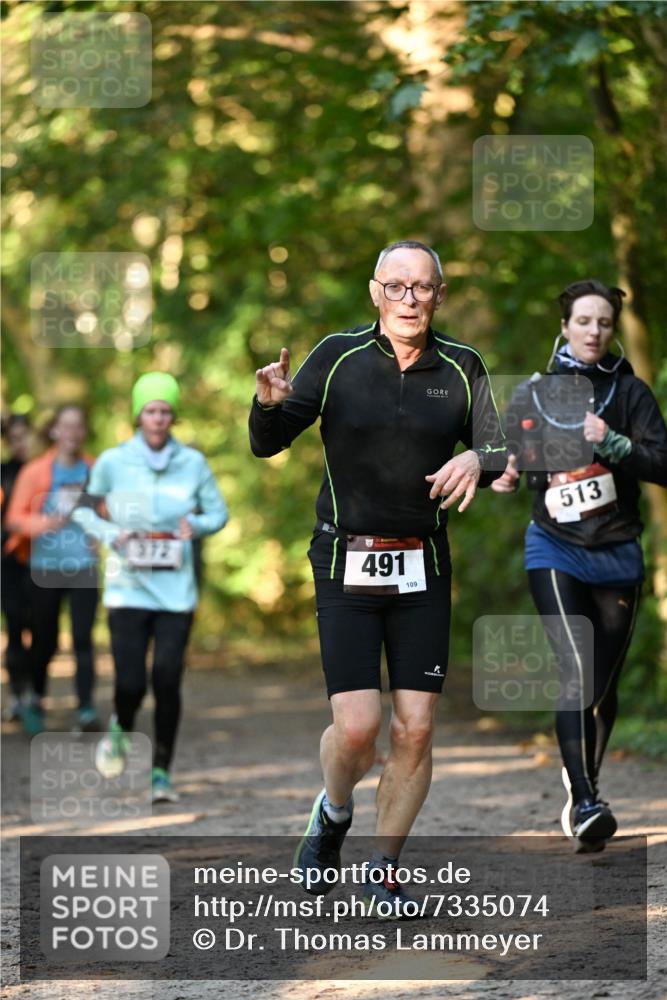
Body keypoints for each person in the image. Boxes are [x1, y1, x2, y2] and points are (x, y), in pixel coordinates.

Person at [249, 240, 505, 915]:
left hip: (423, 564)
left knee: (415, 727)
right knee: (359, 727)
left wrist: (477, 458)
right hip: (345, 560)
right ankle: (333, 812)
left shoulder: (462, 366)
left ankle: (383, 869)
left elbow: (498, 445)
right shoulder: (337, 357)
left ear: (440, 294)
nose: (408, 299)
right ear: (375, 292)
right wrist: (268, 405)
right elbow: (268, 442)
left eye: (421, 287)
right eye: (396, 286)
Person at [492, 279, 667, 852]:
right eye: (584, 321)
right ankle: (588, 801)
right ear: (565, 326)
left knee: (601, 683)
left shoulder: (630, 392)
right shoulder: (534, 393)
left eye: (604, 323)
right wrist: (507, 474)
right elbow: (510, 458)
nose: (594, 331)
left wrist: (612, 443)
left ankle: (582, 780)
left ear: (612, 331)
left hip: (617, 549)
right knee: (577, 669)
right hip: (554, 545)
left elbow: (662, 464)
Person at [74, 372, 228, 803]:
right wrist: (112, 534)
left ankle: (161, 772)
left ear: (173, 416)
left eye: (165, 411)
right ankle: (121, 727)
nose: (158, 418)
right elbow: (83, 511)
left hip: (176, 592)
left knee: (166, 678)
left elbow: (218, 513)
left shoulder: (192, 463)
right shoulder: (113, 461)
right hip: (128, 588)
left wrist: (195, 525)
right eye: (150, 411)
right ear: (138, 415)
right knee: (130, 684)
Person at [5, 405, 100, 736]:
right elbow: (14, 518)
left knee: (83, 638)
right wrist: (43, 522)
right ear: (54, 431)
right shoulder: (35, 471)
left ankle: (86, 708)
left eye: (78, 426)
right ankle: (36, 698)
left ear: (84, 431)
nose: (72, 433)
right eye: (66, 426)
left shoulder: (94, 469)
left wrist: (100, 531)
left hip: (83, 565)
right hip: (45, 567)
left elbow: (107, 511)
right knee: (45, 640)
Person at [1, 414, 33, 721]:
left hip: (44, 563)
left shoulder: (45, 470)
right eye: (14, 438)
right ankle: (18, 695)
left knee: (42, 629)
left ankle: (34, 690)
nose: (20, 443)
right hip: (9, 564)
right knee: (15, 626)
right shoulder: (4, 473)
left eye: (25, 436)